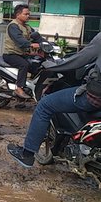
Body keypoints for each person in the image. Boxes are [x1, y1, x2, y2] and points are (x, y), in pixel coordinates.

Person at [7, 32, 101, 167]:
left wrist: (55, 66)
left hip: (95, 98)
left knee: (45, 105)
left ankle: (27, 154)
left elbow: (80, 60)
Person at [2, 4, 40, 99]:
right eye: (25, 14)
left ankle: (33, 87)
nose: (28, 16)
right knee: (24, 65)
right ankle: (19, 88)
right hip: (10, 54)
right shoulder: (13, 26)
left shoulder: (27, 27)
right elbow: (19, 40)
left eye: (28, 14)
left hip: (22, 54)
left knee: (37, 64)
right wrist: (31, 44)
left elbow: (37, 36)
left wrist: (47, 43)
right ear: (18, 15)